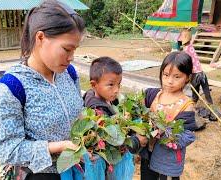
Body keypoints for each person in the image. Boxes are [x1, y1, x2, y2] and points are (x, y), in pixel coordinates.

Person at [0, 1, 85, 179]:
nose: (71, 58)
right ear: (40, 38)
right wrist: (58, 147)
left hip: (75, 169)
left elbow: (79, 112)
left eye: (74, 50)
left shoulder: (68, 74)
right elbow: (7, 150)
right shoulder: (11, 89)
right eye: (66, 49)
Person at [140, 52, 196, 180]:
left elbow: (187, 135)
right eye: (166, 75)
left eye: (177, 77)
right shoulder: (152, 95)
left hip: (167, 162)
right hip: (148, 155)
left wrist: (166, 134)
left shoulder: (186, 105)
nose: (170, 81)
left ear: (187, 77)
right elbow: (138, 111)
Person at [83, 56, 148, 150]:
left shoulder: (110, 99)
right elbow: (110, 142)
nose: (116, 90)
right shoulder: (97, 111)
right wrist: (136, 141)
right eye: (111, 85)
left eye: (119, 84)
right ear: (94, 85)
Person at [179, 28, 213, 105]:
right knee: (206, 89)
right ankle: (210, 102)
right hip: (201, 73)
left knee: (195, 90)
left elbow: (187, 63)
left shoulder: (186, 50)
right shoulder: (191, 47)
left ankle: (194, 101)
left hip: (195, 75)